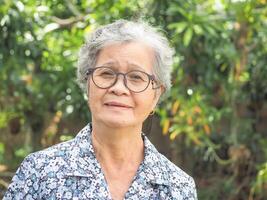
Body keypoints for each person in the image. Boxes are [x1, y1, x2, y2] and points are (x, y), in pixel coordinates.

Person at [4, 19, 197, 200]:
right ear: (87, 83)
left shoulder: (177, 187)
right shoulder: (39, 173)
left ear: (156, 94)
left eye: (136, 77)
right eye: (106, 73)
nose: (119, 88)